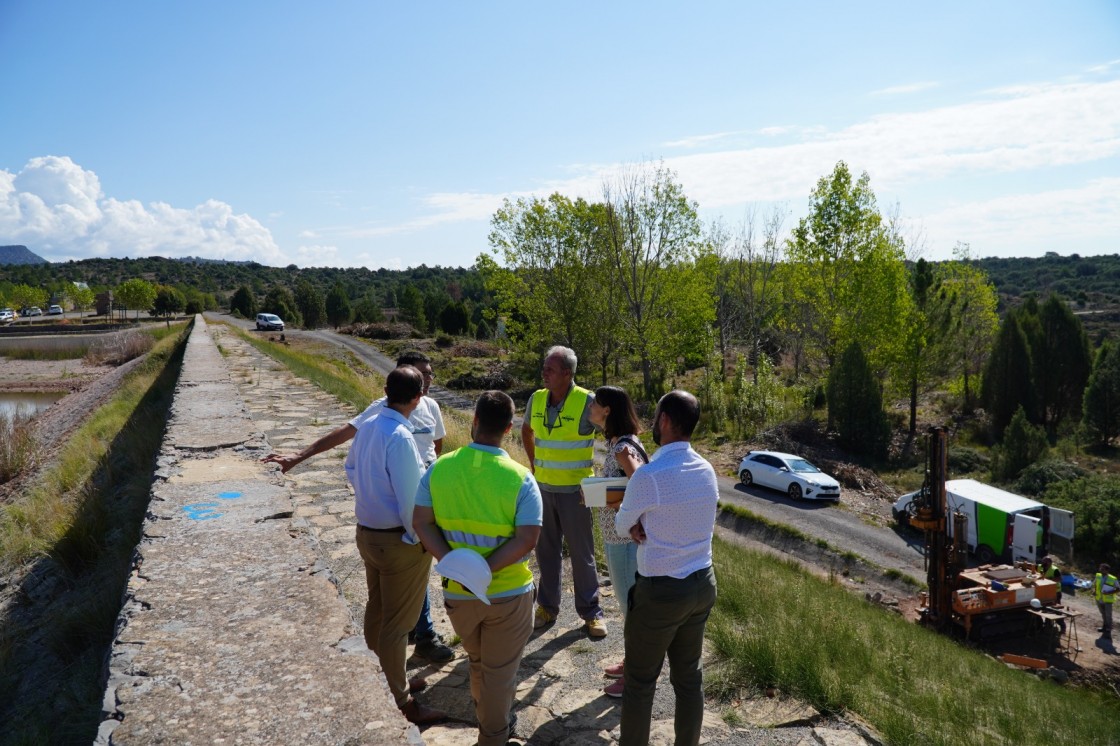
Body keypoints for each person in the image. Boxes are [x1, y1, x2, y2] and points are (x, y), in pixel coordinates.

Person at [262, 351, 453, 663]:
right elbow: (345, 434)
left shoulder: (430, 406)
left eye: (430, 374)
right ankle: (421, 637)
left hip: (422, 500)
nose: (429, 380)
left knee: (409, 582)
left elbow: (436, 446)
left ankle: (410, 640)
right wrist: (298, 456)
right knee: (406, 580)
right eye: (422, 375)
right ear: (406, 382)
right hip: (403, 511)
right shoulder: (381, 412)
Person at [413, 391, 543, 746]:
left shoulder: (440, 468)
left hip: (458, 593)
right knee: (499, 674)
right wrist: (482, 568)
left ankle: (488, 720)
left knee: (477, 662)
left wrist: (456, 564)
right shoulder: (520, 478)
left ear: (473, 421)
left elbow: (421, 522)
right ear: (509, 428)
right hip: (508, 595)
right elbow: (528, 538)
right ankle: (493, 737)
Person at [615, 390, 718, 746]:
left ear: (667, 421)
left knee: (640, 683)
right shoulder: (707, 469)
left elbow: (619, 525)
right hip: (702, 582)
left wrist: (632, 523)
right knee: (689, 678)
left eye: (657, 415)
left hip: (660, 590)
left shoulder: (650, 476)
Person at [344, 366, 444, 724]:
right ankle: (401, 702)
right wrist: (419, 538)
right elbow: (409, 497)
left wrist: (371, 498)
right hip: (397, 540)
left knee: (378, 609)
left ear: (386, 390)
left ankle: (382, 677)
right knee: (398, 624)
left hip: (367, 532)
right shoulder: (400, 436)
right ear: (418, 399)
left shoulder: (370, 425)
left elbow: (350, 467)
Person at [521, 346, 605, 637]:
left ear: (567, 374)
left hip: (577, 493)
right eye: (544, 368)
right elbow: (526, 430)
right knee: (546, 552)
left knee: (582, 555)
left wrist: (605, 484)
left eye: (550, 369)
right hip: (543, 489)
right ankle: (547, 607)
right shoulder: (537, 398)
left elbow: (612, 433)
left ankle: (591, 612)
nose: (543, 373)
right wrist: (534, 465)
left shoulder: (587, 401)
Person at [587, 386, 648, 698]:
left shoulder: (624, 447)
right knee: (628, 608)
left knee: (630, 609)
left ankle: (635, 678)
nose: (591, 407)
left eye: (596, 403)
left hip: (625, 541)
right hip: (617, 537)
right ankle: (631, 663)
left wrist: (612, 501)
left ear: (608, 410)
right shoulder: (616, 443)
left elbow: (640, 486)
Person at [1094, 563, 1118, 640]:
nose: (1100, 569)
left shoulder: (1113, 578)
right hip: (1099, 599)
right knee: (1103, 614)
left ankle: (1108, 631)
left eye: (1102, 568)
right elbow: (1095, 584)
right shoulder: (1098, 576)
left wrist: (1109, 592)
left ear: (1107, 570)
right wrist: (1094, 591)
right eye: (1100, 568)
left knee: (1108, 616)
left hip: (1108, 600)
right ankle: (1104, 627)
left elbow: (1118, 588)